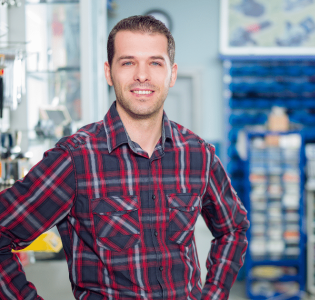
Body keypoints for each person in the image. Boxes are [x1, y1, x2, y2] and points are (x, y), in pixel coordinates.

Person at [0, 15, 249, 300]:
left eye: (155, 63)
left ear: (172, 73)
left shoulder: (198, 154)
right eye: (128, 62)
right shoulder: (75, 159)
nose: (142, 75)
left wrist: (213, 295)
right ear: (109, 72)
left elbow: (233, 228)